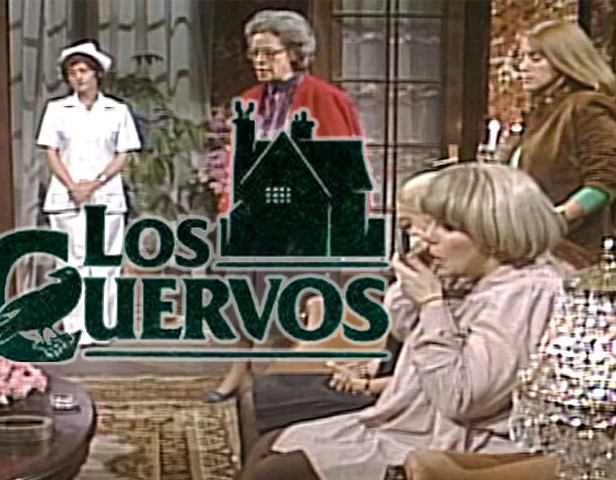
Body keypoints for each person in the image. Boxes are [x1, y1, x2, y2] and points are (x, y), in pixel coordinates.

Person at [238, 163, 566, 480]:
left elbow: (461, 399)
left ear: (493, 234)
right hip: (413, 422)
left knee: (276, 472)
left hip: (464, 444)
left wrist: (432, 304)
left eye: (447, 228)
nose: (428, 237)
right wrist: (412, 279)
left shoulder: (526, 292)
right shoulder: (471, 273)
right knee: (269, 446)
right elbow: (401, 328)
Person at [207, 9, 368, 402]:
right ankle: (239, 368)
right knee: (243, 293)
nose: (259, 61)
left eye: (269, 53)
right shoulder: (248, 101)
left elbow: (343, 166)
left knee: (298, 297)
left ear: (295, 53)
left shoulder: (325, 99)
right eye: (254, 54)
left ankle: (287, 376)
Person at [248, 169, 438, 432]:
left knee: (272, 402)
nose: (415, 236)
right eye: (407, 227)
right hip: (383, 378)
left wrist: (365, 384)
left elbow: (430, 383)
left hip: (401, 401)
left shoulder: (445, 293)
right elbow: (401, 346)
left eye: (423, 224)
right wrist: (367, 367)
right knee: (268, 389)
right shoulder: (418, 276)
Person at [36, 40, 141, 346]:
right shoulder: (57, 110)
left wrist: (95, 183)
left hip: (105, 195)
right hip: (66, 197)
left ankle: (101, 324)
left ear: (97, 74)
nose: (78, 77)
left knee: (103, 261)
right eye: (73, 72)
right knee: (72, 261)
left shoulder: (117, 111)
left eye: (84, 71)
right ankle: (75, 326)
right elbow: (52, 152)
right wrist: (73, 186)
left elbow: (122, 153)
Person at [513, 19, 616, 259]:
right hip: (531, 245)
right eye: (522, 58)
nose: (524, 67)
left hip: (570, 251)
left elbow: (606, 178)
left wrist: (559, 218)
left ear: (564, 61)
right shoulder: (542, 112)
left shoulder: (585, 106)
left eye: (535, 59)